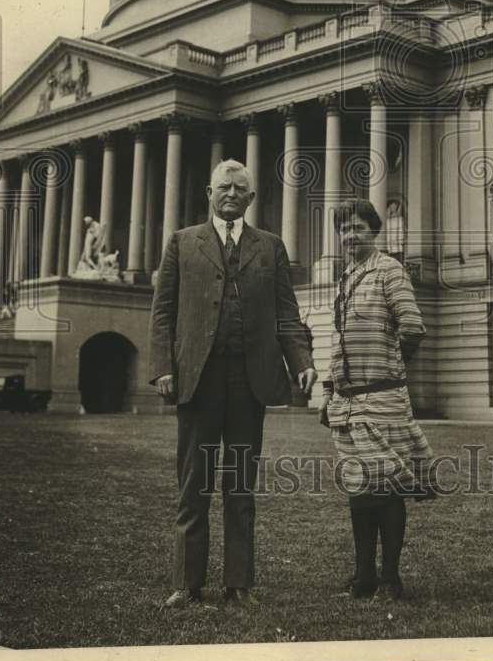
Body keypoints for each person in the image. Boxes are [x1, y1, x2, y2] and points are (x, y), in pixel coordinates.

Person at [149, 159, 317, 608]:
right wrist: (164, 367)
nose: (231, 194)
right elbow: (163, 312)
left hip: (250, 381)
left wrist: (300, 360)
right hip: (198, 381)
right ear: (209, 191)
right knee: (194, 485)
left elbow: (286, 312)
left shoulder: (272, 246)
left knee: (240, 487)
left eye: (239, 189)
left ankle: (239, 584)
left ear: (251, 198)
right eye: (224, 187)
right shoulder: (182, 243)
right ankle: (187, 583)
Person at [319, 198, 434, 601]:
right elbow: (339, 343)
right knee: (359, 490)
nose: (350, 235)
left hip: (381, 399)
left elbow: (413, 328)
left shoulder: (390, 271)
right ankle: (363, 575)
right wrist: (329, 391)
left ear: (375, 231)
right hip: (346, 404)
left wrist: (390, 371)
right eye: (344, 229)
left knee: (386, 489)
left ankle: (390, 578)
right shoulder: (346, 278)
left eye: (358, 228)